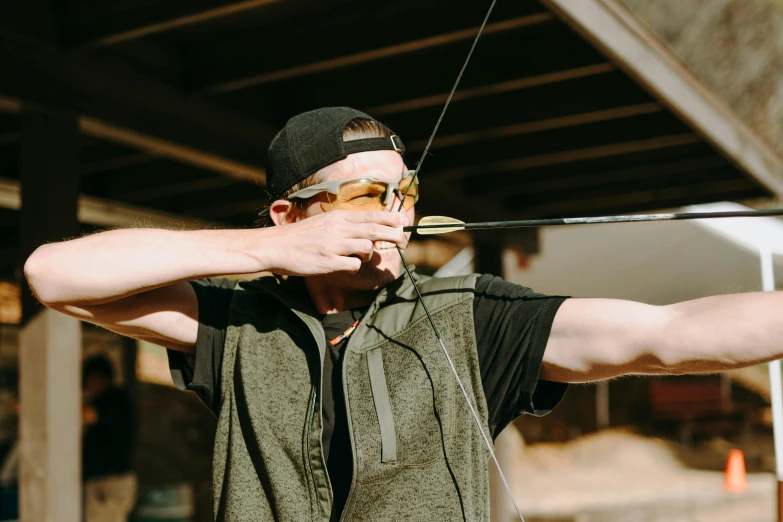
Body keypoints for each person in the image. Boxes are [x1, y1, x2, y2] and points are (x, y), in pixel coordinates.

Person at [22, 106, 783, 522]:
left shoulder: (473, 319)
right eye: (365, 199)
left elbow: (672, 334)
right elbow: (53, 276)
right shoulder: (234, 322)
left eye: (405, 195)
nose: (398, 218)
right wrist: (267, 251)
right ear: (293, 215)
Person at [82, 355, 136, 522]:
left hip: (110, 481)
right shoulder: (108, 400)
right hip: (103, 481)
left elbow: (89, 415)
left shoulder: (116, 400)